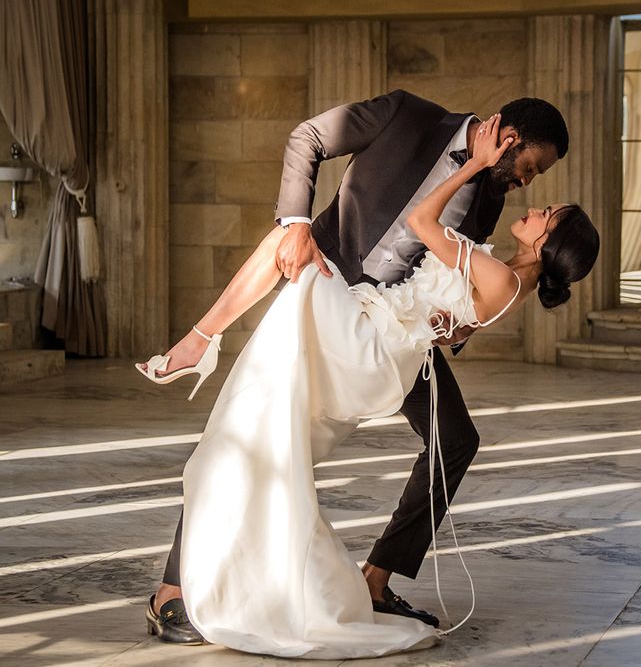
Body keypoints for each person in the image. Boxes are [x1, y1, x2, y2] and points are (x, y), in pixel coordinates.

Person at [140, 91, 587, 648]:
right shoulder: (407, 115)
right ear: (511, 139)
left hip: (394, 336)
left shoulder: (489, 200)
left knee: (454, 438)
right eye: (528, 168)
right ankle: (173, 590)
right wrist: (298, 222)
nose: (527, 184)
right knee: (252, 426)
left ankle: (376, 580)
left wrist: (456, 325)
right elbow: (308, 137)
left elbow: (466, 289)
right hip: (330, 293)